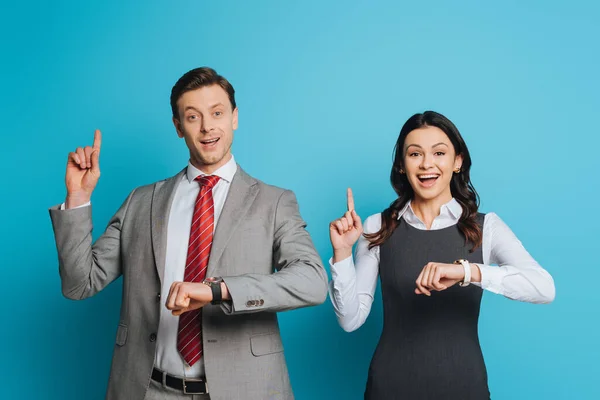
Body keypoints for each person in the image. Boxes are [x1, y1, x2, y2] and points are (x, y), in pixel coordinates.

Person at [49, 67, 328, 400]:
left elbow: (312, 281)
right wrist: (78, 198)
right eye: (193, 117)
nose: (207, 126)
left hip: (245, 390)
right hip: (150, 390)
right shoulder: (141, 201)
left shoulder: (274, 201)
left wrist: (219, 291)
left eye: (217, 113)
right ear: (178, 127)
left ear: (234, 118)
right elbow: (80, 284)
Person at [328, 111, 555, 399]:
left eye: (439, 152)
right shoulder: (377, 226)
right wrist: (343, 252)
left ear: (457, 161)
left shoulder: (487, 227)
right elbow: (350, 320)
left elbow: (544, 288)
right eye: (414, 154)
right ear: (401, 165)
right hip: (390, 386)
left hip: (463, 385)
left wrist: (467, 272)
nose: (427, 164)